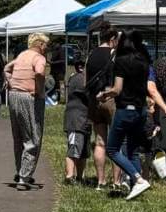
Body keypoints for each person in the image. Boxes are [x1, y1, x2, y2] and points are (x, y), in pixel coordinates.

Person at [99, 29, 152, 201]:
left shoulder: (121, 61)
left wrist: (104, 95)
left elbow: (117, 89)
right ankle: (134, 185)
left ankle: (138, 179)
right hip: (141, 109)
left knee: (113, 149)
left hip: (125, 109)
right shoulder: (144, 61)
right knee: (133, 150)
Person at [4, 32, 49, 187]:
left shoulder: (22, 55)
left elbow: (7, 68)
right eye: (46, 45)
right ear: (40, 44)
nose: (46, 49)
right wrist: (39, 89)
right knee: (33, 137)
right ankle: (24, 177)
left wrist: (11, 82)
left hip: (13, 95)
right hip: (29, 98)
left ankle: (21, 171)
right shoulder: (39, 58)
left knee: (19, 137)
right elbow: (40, 71)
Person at [85, 22, 119, 191]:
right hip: (110, 98)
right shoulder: (114, 54)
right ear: (112, 38)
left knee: (99, 141)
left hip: (94, 100)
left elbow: (86, 79)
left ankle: (100, 181)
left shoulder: (91, 54)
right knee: (116, 143)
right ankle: (116, 181)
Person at [64, 59, 89, 184]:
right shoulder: (80, 79)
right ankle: (69, 176)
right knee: (74, 149)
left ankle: (80, 176)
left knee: (83, 151)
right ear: (81, 67)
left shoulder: (78, 77)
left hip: (84, 119)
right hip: (76, 119)